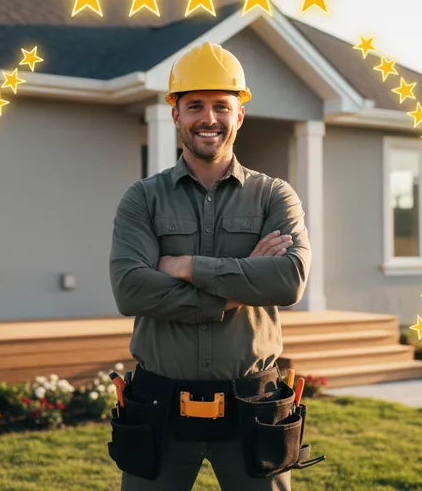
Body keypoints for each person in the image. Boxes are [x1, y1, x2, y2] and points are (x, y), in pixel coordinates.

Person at [108, 41, 314, 491]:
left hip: (252, 408)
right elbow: (131, 290)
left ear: (239, 115)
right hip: (158, 406)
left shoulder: (275, 196)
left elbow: (290, 279)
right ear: (175, 114)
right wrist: (242, 281)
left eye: (222, 106)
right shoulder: (142, 198)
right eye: (195, 105)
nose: (209, 118)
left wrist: (184, 265)